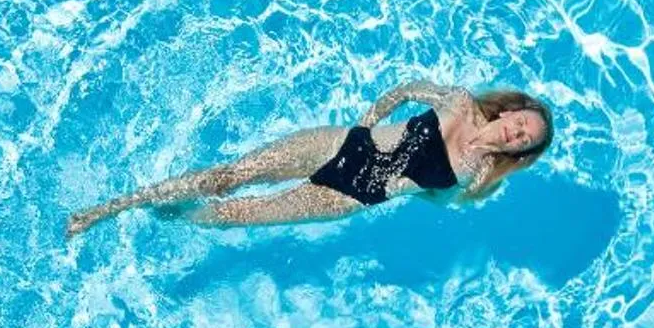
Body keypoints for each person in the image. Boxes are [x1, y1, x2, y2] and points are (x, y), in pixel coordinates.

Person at [66, 79, 554, 235]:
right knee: (229, 176)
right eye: (522, 123)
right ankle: (111, 208)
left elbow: (440, 200)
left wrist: (418, 188)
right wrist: (367, 121)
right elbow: (405, 89)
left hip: (350, 196)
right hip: (342, 144)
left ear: (523, 152)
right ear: (512, 111)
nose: (516, 133)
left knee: (234, 216)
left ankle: (170, 212)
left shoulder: (481, 176)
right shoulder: (461, 103)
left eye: (525, 140)